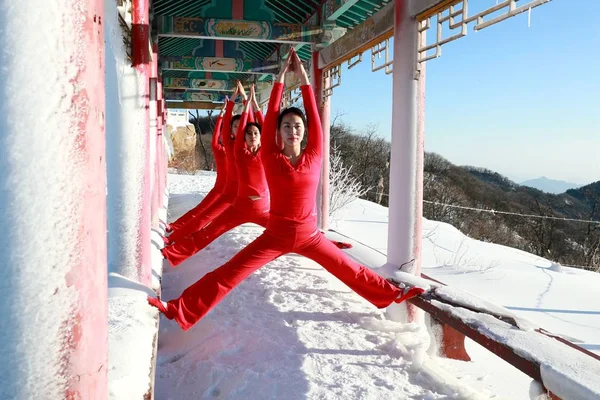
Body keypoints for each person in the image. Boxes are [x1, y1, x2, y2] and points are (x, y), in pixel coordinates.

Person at [148, 49, 422, 331]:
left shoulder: (314, 154)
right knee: (228, 274)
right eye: (287, 126)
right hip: (275, 234)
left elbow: (315, 117)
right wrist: (279, 79)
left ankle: (391, 294)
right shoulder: (269, 155)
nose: (293, 130)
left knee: (349, 268)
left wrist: (303, 79)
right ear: (277, 132)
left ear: (305, 132)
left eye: (298, 126)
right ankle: (178, 308)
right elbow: (265, 119)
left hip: (309, 236)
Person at [161, 85, 270, 267]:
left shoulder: (265, 152)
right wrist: (229, 109)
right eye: (237, 128)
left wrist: (250, 103)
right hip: (234, 198)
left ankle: (328, 242)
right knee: (206, 224)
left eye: (254, 133)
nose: (242, 131)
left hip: (261, 206)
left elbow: (258, 128)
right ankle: (173, 246)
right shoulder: (235, 149)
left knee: (294, 231)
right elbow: (233, 131)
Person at [165, 84, 251, 244]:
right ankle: (174, 234)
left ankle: (175, 231)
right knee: (203, 217)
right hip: (225, 190)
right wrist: (229, 107)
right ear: (230, 130)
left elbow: (252, 123)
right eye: (235, 127)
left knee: (204, 217)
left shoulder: (248, 146)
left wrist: (247, 100)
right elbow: (221, 132)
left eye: (242, 127)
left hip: (245, 194)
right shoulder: (226, 145)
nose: (238, 129)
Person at [164, 101, 229, 238]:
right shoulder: (218, 149)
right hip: (221, 189)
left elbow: (250, 130)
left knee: (207, 219)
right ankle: (175, 230)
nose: (225, 136)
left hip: (234, 192)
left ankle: (175, 234)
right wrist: (222, 114)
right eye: (223, 134)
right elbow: (218, 135)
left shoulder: (239, 150)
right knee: (202, 212)